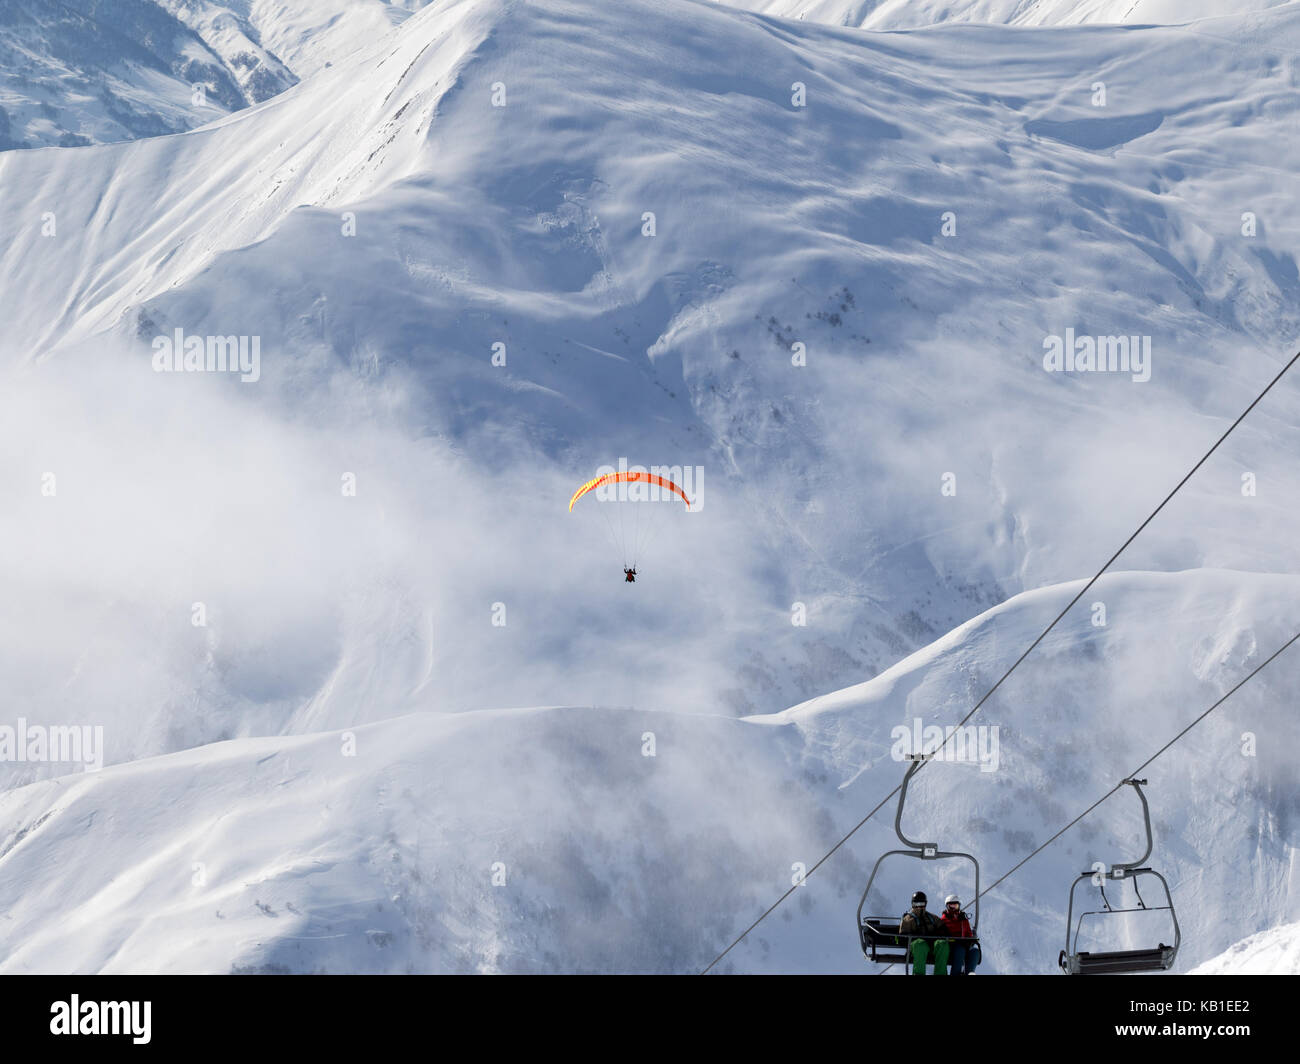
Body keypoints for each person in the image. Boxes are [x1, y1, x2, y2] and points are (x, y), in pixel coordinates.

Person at [899, 891, 948, 975]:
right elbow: (902, 938)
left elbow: (943, 929)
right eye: (916, 904)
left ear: (925, 904)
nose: (919, 907)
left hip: (931, 947)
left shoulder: (931, 917)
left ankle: (941, 973)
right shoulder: (908, 919)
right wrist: (915, 937)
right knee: (920, 944)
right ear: (912, 904)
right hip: (916, 949)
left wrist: (936, 935)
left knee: (942, 944)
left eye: (921, 903)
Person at [940, 894, 980, 975]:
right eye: (951, 906)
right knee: (960, 950)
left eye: (956, 906)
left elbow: (968, 934)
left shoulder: (963, 919)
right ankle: (955, 973)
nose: (954, 908)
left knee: (975, 951)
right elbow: (941, 935)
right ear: (947, 907)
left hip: (964, 945)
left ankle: (969, 972)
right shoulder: (944, 920)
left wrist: (971, 940)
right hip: (951, 946)